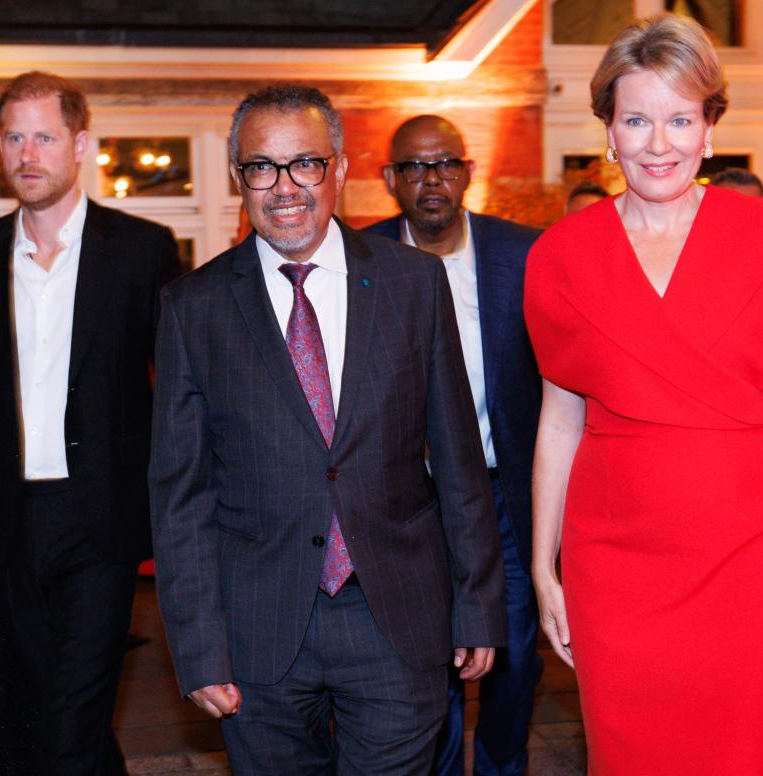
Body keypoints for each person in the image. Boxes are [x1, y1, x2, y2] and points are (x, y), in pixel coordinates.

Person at [523, 15, 763, 776]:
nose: (659, 143)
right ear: (609, 133)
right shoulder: (561, 256)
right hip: (614, 565)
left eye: (680, 119)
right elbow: (559, 422)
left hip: (749, 563)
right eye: (638, 120)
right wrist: (542, 566)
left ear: (710, 128)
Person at [149, 86, 507, 775]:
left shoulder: (415, 284)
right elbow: (180, 499)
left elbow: (460, 462)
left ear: (338, 169)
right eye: (261, 167)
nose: (284, 187)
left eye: (304, 163)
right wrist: (197, 648)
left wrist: (478, 606)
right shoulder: (192, 307)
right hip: (257, 630)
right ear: (239, 179)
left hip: (397, 617)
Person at [0, 71, 180, 775]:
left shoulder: (141, 250)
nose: (27, 153)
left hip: (99, 521)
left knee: (73, 715)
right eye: (14, 136)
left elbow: (177, 388)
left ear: (79, 143)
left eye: (44, 136)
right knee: (35, 707)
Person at [367, 114, 542, 776]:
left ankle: (502, 767)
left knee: (516, 654)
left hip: (504, 495)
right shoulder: (361, 258)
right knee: (426, 658)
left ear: (468, 173)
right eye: (413, 167)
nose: (430, 179)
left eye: (443, 163)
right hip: (413, 499)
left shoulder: (522, 255)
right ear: (390, 180)